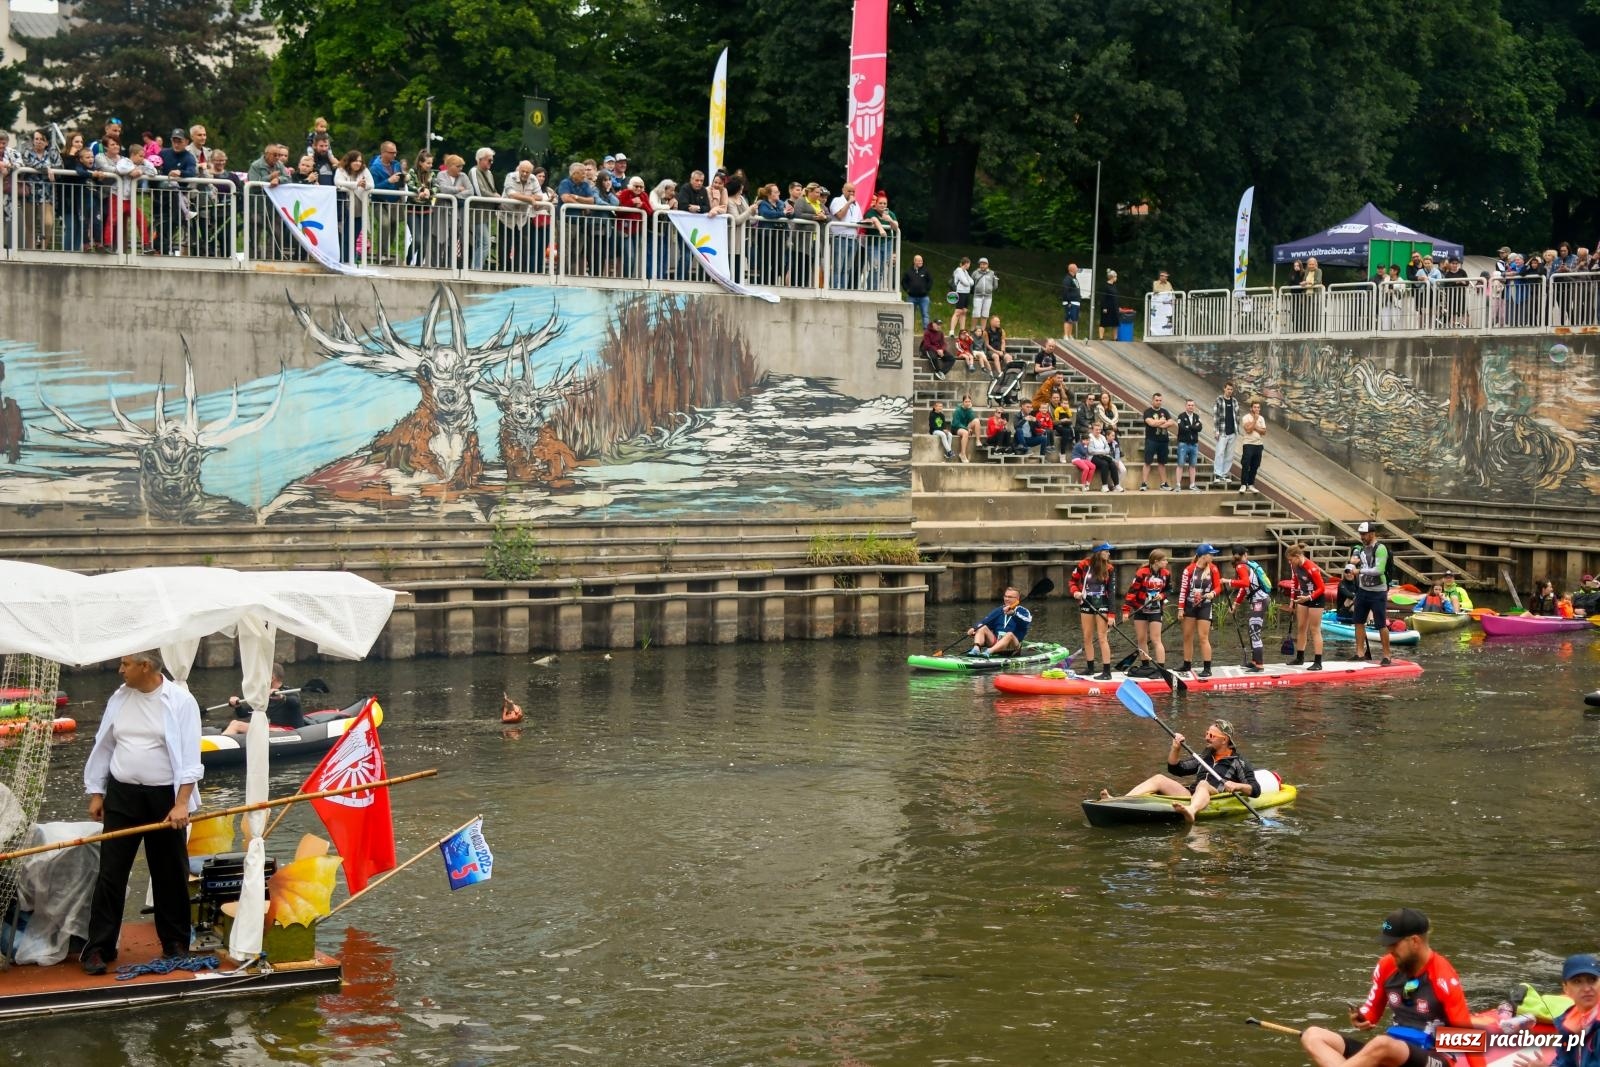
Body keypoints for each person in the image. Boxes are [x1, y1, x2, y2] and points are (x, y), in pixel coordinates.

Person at [80, 651, 203, 973]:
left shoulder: (179, 701)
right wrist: (97, 792)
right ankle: (99, 947)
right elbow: (104, 745)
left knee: (169, 872)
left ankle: (175, 943)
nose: (120, 670)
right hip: (122, 795)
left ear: (145, 666)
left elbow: (190, 757)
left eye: (126, 664)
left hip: (165, 798)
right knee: (111, 873)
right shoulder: (119, 698)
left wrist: (181, 803)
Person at [1300, 908, 1474, 1067]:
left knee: (1382, 1043)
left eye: (1394, 944)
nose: (1389, 949)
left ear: (1414, 941)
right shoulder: (1386, 966)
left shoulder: (1443, 977)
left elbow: (1467, 1038)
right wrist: (1361, 1017)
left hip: (1433, 1058)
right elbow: (1372, 1014)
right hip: (1393, 1053)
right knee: (1313, 1035)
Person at [1097, 719, 1260, 825]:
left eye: (1211, 735)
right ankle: (1120, 801)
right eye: (1206, 734)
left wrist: (1237, 785)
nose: (1206, 738)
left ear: (1224, 740)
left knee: (1203, 784)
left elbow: (1255, 789)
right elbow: (1177, 769)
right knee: (1159, 778)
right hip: (1193, 793)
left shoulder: (1239, 761)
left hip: (1216, 795)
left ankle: (1191, 811)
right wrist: (1175, 748)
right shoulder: (1205, 756)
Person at [1515, 954, 1599, 1067]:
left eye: (1592, 980)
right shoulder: (1568, 1022)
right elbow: (1565, 1063)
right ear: (1566, 988)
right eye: (1577, 982)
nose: (1587, 988)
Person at [1071, 543, 1118, 679]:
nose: (1109, 554)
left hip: (1102, 603)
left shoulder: (1109, 568)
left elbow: (1111, 592)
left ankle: (1107, 672)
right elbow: (1073, 582)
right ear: (1099, 552)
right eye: (1106, 551)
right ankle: (1090, 668)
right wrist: (1075, 592)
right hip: (1086, 603)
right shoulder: (1083, 565)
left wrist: (1111, 614)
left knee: (1102, 637)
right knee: (1087, 637)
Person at [1122, 548, 1171, 677]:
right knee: (1141, 639)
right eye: (1164, 560)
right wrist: (1126, 610)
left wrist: (1162, 595)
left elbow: (1169, 589)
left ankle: (1161, 669)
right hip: (1140, 609)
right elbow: (1132, 592)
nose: (1167, 562)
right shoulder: (1141, 573)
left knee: (1156, 639)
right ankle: (1146, 667)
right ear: (1156, 561)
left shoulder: (1166, 573)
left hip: (1155, 610)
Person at [221, 663, 305, 735]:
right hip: (272, 728)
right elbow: (243, 714)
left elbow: (295, 702)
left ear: (271, 678)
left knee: (237, 725)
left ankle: (218, 749)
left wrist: (281, 696)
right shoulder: (264, 695)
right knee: (234, 722)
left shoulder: (289, 692)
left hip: (289, 731)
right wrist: (237, 706)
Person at [1350, 522, 1392, 664]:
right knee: (1358, 621)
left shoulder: (1380, 549)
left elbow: (1379, 570)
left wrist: (1359, 571)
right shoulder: (1361, 549)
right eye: (1360, 534)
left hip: (1378, 592)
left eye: (1364, 534)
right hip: (1363, 590)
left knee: (1380, 624)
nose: (1362, 537)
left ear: (1372, 534)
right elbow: (1357, 558)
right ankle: (1360, 653)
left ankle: (1386, 655)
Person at [1227, 545, 1272, 672]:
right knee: (1251, 629)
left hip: (1260, 600)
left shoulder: (1241, 566)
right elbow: (1244, 589)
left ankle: (1260, 665)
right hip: (1259, 600)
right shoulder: (1248, 565)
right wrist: (1236, 604)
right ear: (1245, 554)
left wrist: (1228, 581)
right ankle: (1254, 661)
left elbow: (1245, 583)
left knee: (1254, 630)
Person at [1179, 544, 1222, 677]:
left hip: (1205, 605)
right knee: (1187, 636)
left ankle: (1207, 668)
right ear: (1203, 556)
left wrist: (1212, 594)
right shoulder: (1189, 570)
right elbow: (1183, 590)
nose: (1213, 556)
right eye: (1211, 554)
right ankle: (1186, 665)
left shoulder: (1213, 569)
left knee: (1203, 637)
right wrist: (1180, 608)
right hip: (1190, 605)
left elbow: (1218, 587)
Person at [1284, 543, 1327, 670]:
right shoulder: (1295, 566)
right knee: (1301, 627)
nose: (1289, 563)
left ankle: (1318, 662)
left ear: (1297, 556)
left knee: (1314, 629)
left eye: (1291, 560)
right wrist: (1292, 600)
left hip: (1316, 598)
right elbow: (1295, 581)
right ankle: (1300, 658)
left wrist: (1309, 598)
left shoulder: (1311, 568)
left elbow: (1322, 588)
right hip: (1303, 597)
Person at [967, 586, 1031, 656]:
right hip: (996, 643)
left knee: (1009, 634)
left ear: (1017, 599)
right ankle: (976, 649)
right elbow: (984, 622)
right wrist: (974, 628)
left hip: (1012, 647)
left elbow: (1026, 622)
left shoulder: (1023, 611)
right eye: (1005, 596)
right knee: (982, 627)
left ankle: (989, 651)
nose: (1006, 599)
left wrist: (1013, 614)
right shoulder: (998, 610)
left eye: (1010, 597)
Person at [1140, 391, 1176, 491]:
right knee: (1148, 462)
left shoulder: (1165, 411)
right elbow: (1150, 423)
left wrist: (1158, 423)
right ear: (1152, 400)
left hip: (1163, 441)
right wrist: (1162, 421)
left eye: (1160, 400)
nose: (1158, 402)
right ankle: (1144, 483)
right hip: (1151, 440)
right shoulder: (1148, 412)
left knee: (1162, 463)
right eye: (1156, 400)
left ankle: (1164, 484)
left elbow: (1171, 422)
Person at [1213, 382, 1240, 485]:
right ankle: (1217, 474)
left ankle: (1224, 474)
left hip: (1232, 432)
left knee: (1229, 455)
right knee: (1219, 453)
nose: (1229, 391)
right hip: (1222, 431)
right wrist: (1216, 430)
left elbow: (1237, 416)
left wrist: (1237, 429)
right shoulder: (1219, 400)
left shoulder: (1234, 401)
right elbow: (1216, 416)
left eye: (1231, 389)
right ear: (1224, 389)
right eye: (1228, 389)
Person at [1239, 399, 1267, 493]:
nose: (1257, 409)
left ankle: (1251, 484)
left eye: (1258, 407)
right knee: (1246, 464)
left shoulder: (1262, 418)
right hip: (1248, 444)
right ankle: (1243, 484)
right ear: (1251, 408)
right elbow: (1248, 430)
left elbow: (1264, 432)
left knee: (1255, 465)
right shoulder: (1246, 417)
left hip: (1258, 445)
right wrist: (1255, 420)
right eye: (1255, 407)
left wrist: (1254, 426)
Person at [1175, 398, 1203, 491]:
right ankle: (1178, 485)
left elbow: (1200, 428)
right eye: (1189, 405)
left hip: (1194, 444)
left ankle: (1192, 484)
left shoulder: (1196, 416)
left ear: (1194, 406)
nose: (1191, 407)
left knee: (1193, 465)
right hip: (1183, 444)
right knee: (1180, 464)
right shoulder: (1181, 416)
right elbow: (1182, 428)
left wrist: (1189, 426)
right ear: (1186, 406)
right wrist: (1193, 427)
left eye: (1192, 405)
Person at [903, 253, 933, 330]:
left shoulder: (926, 271)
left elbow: (930, 281)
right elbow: (903, 282)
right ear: (914, 261)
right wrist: (907, 290)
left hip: (924, 298)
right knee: (910, 314)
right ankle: (909, 329)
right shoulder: (908, 271)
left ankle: (926, 331)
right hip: (911, 297)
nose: (920, 262)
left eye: (921, 261)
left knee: (925, 314)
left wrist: (926, 290)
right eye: (919, 261)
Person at [950, 256, 974, 334]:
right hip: (960, 292)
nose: (969, 266)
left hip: (966, 293)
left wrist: (968, 282)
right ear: (966, 264)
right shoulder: (959, 270)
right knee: (958, 311)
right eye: (969, 264)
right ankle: (952, 331)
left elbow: (972, 282)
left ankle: (962, 330)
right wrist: (968, 282)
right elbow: (966, 282)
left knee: (964, 311)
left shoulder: (965, 272)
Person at [951, 394, 979, 463]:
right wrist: (966, 428)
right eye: (966, 401)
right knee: (965, 433)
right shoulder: (957, 411)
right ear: (963, 402)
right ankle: (962, 454)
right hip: (956, 428)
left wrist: (970, 410)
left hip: (965, 427)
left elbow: (973, 418)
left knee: (977, 421)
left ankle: (978, 440)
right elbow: (956, 423)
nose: (967, 403)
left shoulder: (969, 409)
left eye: (969, 401)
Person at [970, 257, 999, 322]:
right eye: (981, 264)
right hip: (977, 296)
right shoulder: (975, 273)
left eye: (984, 264)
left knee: (985, 315)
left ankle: (982, 330)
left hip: (988, 297)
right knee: (975, 314)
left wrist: (990, 289)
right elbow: (971, 282)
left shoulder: (992, 273)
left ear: (987, 265)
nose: (982, 266)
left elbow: (996, 285)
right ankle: (973, 330)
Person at [1060, 262, 1082, 339]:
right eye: (1076, 268)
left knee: (1072, 319)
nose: (1077, 269)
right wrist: (1068, 301)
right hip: (1070, 302)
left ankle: (1069, 334)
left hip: (1076, 302)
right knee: (1068, 318)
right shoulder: (1067, 279)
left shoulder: (1074, 278)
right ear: (1072, 269)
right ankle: (1065, 335)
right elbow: (1065, 291)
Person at [1098, 269, 1120, 341]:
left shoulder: (1114, 286)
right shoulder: (1106, 286)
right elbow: (1103, 297)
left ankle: (1115, 338)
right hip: (1107, 307)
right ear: (1112, 277)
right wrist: (1104, 307)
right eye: (1115, 276)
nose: (1116, 278)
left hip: (1114, 307)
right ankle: (1101, 337)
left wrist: (1118, 307)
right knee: (1103, 322)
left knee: (1116, 323)